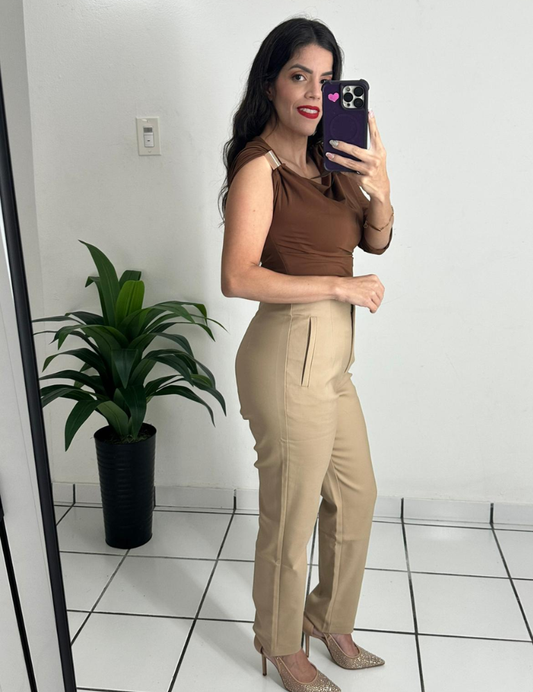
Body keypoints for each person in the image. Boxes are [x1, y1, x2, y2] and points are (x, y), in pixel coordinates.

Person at [220, 17, 394, 692]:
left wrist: (381, 184)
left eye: (327, 79)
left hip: (330, 356)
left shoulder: (332, 161)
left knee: (355, 496)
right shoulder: (258, 169)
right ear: (271, 84)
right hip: (288, 349)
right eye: (299, 76)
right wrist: (338, 286)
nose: (315, 93)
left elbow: (375, 241)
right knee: (290, 513)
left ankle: (327, 619)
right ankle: (280, 642)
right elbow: (237, 277)